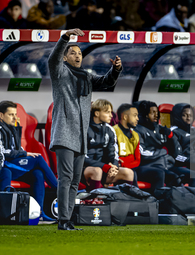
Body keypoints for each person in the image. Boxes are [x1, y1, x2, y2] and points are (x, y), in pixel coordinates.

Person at [48, 28, 122, 231]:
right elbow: (52, 59)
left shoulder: (86, 77)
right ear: (65, 56)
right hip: (64, 134)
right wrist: (65, 38)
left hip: (80, 138)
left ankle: (68, 219)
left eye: (80, 53)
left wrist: (115, 70)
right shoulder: (60, 72)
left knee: (74, 182)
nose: (78, 55)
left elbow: (107, 82)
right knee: (65, 179)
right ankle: (63, 220)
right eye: (73, 52)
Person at [0, 101, 57, 222]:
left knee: (38, 174)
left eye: (15, 114)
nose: (15, 117)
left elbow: (17, 148)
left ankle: (39, 213)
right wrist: (25, 154)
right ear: (1, 116)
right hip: (5, 164)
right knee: (38, 159)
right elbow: (4, 153)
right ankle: (59, 188)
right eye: (11, 114)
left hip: (13, 165)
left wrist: (17, 131)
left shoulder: (11, 128)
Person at [134, 101, 195, 188]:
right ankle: (159, 200)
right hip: (150, 166)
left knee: (192, 174)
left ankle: (194, 200)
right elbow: (142, 153)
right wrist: (163, 152)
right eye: (152, 113)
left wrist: (171, 137)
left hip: (168, 165)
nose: (156, 115)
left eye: (157, 112)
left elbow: (175, 152)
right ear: (145, 115)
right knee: (169, 176)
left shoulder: (161, 129)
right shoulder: (137, 131)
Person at [82, 100, 134, 191]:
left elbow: (113, 153)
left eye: (111, 112)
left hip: (104, 169)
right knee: (97, 171)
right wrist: (104, 166)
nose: (111, 115)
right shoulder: (83, 129)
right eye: (107, 112)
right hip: (83, 170)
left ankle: (123, 202)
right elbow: (82, 157)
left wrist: (113, 166)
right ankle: (95, 201)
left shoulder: (109, 130)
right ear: (97, 113)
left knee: (128, 173)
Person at [114, 103, 165, 194]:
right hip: (119, 169)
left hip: (135, 167)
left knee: (159, 173)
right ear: (125, 117)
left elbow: (138, 159)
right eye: (134, 116)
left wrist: (129, 163)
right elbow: (114, 157)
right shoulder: (114, 132)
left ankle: (156, 202)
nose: (137, 118)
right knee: (132, 174)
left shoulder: (135, 134)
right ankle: (137, 199)